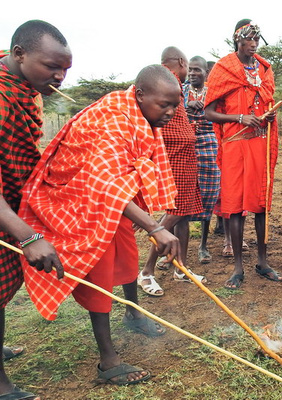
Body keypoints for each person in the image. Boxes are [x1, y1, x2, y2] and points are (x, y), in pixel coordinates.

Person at [19, 65, 183, 385]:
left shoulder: (138, 114)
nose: (171, 112)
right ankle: (108, 360)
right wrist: (154, 226)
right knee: (102, 268)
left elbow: (119, 180)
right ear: (140, 95)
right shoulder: (113, 120)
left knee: (126, 254)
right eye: (164, 105)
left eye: (174, 105)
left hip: (110, 197)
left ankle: (133, 314)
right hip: (78, 197)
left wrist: (147, 221)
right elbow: (104, 186)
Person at [0, 20, 69, 400]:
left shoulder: (24, 90)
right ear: (19, 54)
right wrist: (29, 235)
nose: (59, 77)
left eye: (65, 70)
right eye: (52, 67)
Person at [205, 19, 282, 289]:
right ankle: (238, 268)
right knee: (235, 207)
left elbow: (267, 101)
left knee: (260, 203)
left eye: (256, 40)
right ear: (236, 40)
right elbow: (209, 112)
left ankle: (262, 262)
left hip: (259, 142)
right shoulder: (223, 68)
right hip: (235, 145)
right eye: (248, 39)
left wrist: (267, 115)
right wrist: (240, 117)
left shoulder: (264, 69)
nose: (253, 44)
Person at [139, 47, 205, 297]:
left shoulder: (171, 84)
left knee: (184, 215)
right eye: (188, 66)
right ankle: (146, 272)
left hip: (184, 160)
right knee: (174, 216)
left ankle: (181, 269)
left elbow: (177, 123)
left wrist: (190, 130)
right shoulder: (167, 85)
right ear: (181, 62)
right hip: (174, 161)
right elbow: (162, 129)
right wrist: (187, 135)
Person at [183, 56, 221, 264]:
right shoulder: (181, 91)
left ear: (206, 73)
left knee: (208, 194)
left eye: (197, 70)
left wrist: (203, 110)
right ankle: (180, 246)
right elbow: (172, 111)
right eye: (190, 70)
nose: (192, 74)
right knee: (185, 195)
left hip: (209, 144)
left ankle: (203, 245)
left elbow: (218, 115)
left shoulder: (212, 92)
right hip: (186, 145)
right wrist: (186, 106)